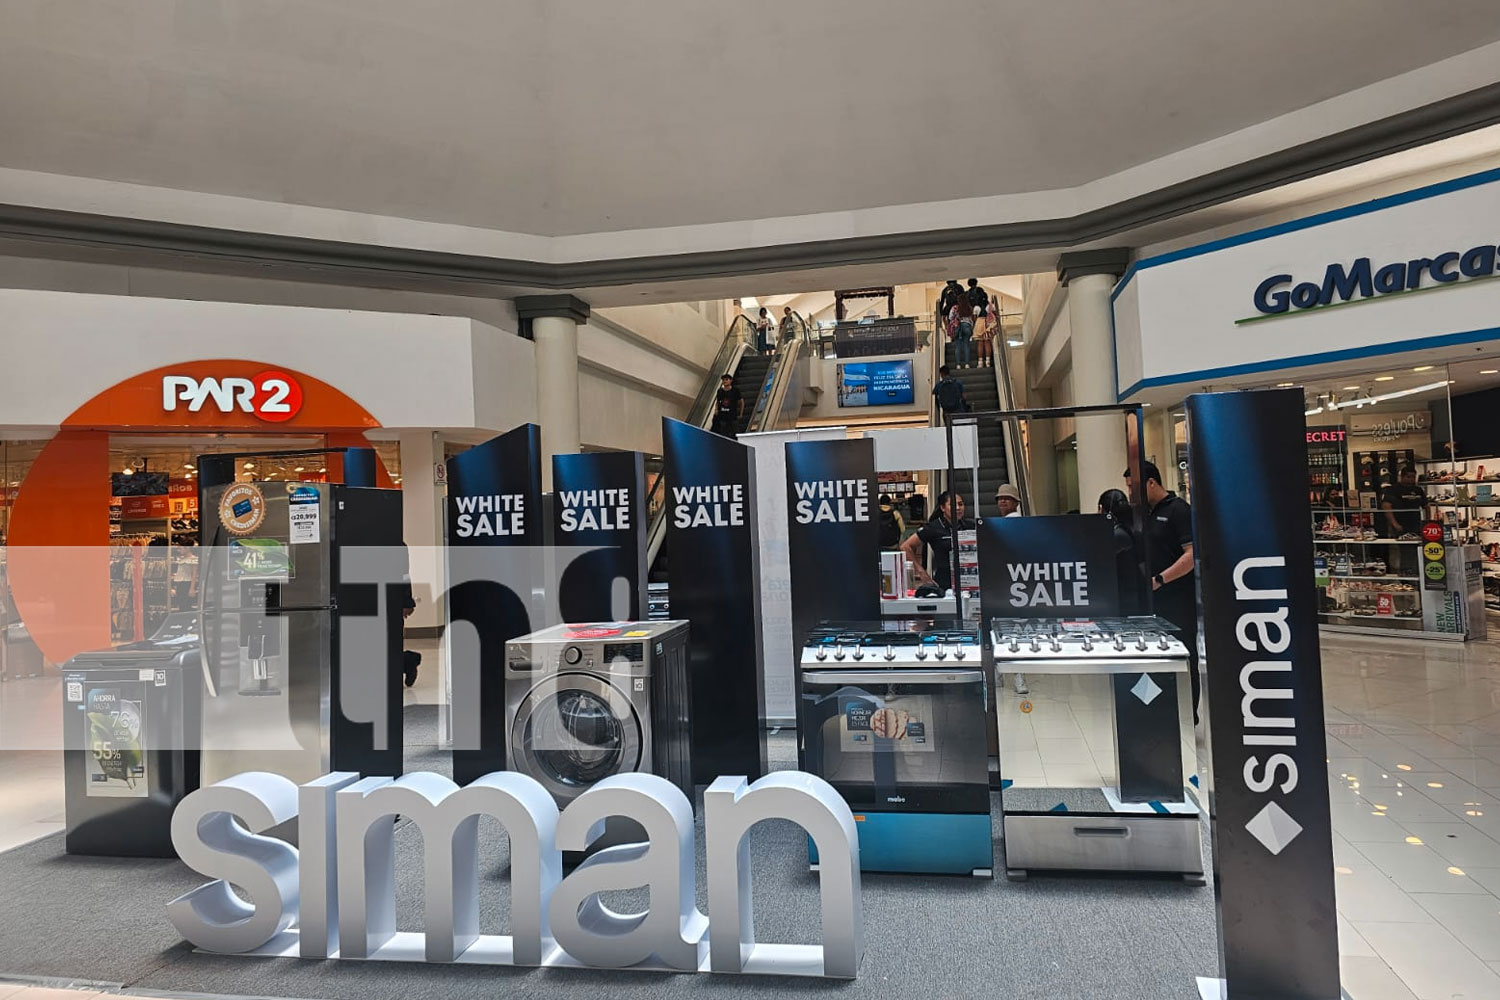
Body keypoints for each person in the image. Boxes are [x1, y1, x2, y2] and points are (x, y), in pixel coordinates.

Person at [1124, 460, 1199, 723]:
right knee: (1157, 657)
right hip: (1153, 603)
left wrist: (1160, 579)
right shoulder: (1148, 513)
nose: (1131, 493)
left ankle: (1189, 716)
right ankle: (1162, 713)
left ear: (1151, 483)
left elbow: (1191, 556)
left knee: (1182, 655)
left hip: (1177, 600)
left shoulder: (1179, 510)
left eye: (1134, 487)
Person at [900, 490, 970, 594]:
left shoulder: (969, 526)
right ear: (943, 508)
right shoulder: (933, 527)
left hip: (969, 581)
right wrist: (921, 572)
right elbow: (905, 547)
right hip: (944, 584)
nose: (958, 508)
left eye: (960, 504)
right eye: (952, 505)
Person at [1099, 487, 1144, 615]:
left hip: (1124, 595)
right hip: (1130, 592)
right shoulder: (1127, 529)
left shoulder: (1117, 535)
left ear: (1101, 508)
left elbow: (1098, 558)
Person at [1380, 465, 1425, 538]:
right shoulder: (1393, 489)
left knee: (1416, 546)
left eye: (1413, 477)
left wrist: (1427, 523)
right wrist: (1395, 524)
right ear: (1402, 477)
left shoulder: (1418, 490)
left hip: (1416, 525)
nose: (1411, 479)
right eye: (1408, 477)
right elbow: (1386, 506)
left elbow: (1426, 505)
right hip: (1399, 524)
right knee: (1400, 546)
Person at [948, 301, 974, 368]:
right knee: (966, 345)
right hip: (967, 326)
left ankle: (958, 364)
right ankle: (967, 364)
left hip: (957, 327)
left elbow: (950, 317)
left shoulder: (955, 307)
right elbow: (972, 318)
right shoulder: (968, 307)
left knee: (958, 346)